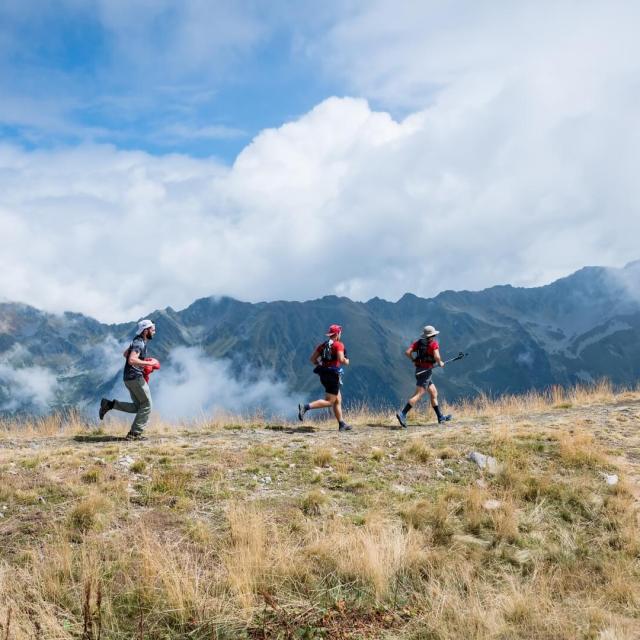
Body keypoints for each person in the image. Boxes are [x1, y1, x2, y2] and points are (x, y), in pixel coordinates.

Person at [98, 319, 159, 440]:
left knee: (138, 407)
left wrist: (140, 361)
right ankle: (134, 434)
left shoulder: (136, 341)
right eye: (152, 329)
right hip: (136, 378)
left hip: (128, 378)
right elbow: (131, 359)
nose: (154, 332)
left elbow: (125, 354)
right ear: (146, 330)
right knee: (147, 405)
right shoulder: (139, 343)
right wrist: (148, 364)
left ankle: (110, 405)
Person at [396, 325, 452, 428]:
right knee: (419, 394)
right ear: (432, 335)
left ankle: (440, 417)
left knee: (434, 392)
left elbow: (407, 352)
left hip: (419, 370)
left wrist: (413, 360)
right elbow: (437, 356)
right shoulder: (433, 344)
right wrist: (440, 363)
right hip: (426, 372)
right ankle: (402, 413)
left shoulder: (418, 343)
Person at [298, 324, 352, 432]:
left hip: (323, 374)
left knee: (337, 399)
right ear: (337, 334)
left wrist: (322, 364)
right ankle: (305, 407)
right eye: (340, 333)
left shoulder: (322, 345)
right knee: (330, 401)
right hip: (333, 375)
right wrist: (347, 361)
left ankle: (342, 424)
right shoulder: (338, 345)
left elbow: (313, 359)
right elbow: (341, 360)